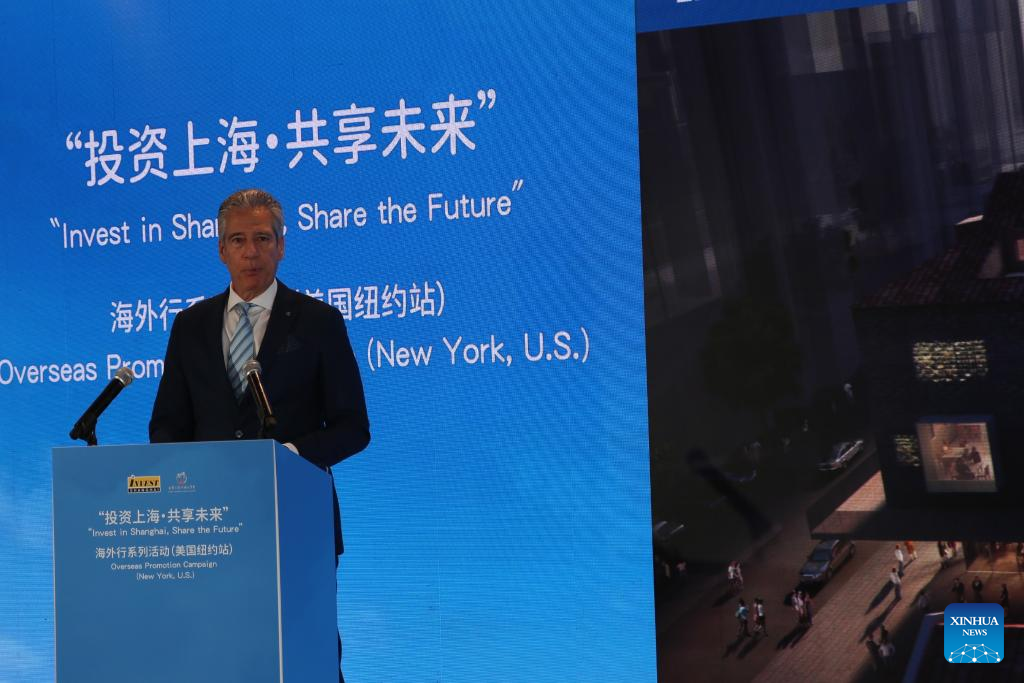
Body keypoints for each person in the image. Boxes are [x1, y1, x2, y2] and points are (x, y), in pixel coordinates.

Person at [149, 189, 371, 682]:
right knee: (218, 659)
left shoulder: (318, 322)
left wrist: (289, 457)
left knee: (306, 658)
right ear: (221, 249)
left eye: (263, 239)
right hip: (208, 525)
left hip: (296, 520)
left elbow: (353, 427)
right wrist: (189, 477)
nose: (251, 252)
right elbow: (166, 425)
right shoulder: (190, 326)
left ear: (281, 246)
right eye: (238, 240)